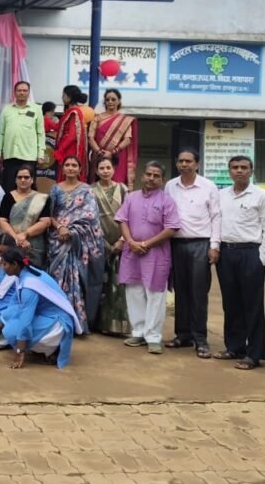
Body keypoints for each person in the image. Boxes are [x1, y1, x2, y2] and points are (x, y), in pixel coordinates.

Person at [116, 161, 182, 354]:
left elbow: (172, 228)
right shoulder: (131, 197)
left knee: (155, 295)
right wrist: (131, 242)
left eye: (156, 176)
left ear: (162, 180)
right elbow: (122, 220)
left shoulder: (167, 201)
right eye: (149, 174)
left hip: (156, 254)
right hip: (132, 253)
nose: (151, 178)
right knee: (134, 292)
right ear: (142, 176)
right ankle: (138, 332)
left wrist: (145, 244)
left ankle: (153, 336)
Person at [216, 156, 265, 369]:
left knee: (252, 305)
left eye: (243, 167)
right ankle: (234, 347)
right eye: (235, 167)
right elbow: (216, 223)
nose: (239, 171)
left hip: (251, 253)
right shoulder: (221, 195)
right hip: (226, 253)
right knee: (231, 303)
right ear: (229, 171)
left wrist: (262, 258)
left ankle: (254, 354)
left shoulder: (262, 196)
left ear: (251, 171)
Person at [164, 148, 221, 358]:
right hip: (177, 244)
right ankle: (183, 334)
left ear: (197, 164)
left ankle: (200, 339)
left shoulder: (208, 186)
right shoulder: (170, 186)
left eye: (188, 161)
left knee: (198, 293)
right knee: (180, 291)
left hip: (200, 244)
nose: (184, 164)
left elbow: (216, 217)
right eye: (181, 161)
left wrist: (214, 246)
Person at [0, 248, 83, 369]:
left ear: (14, 264)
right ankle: (44, 347)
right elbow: (15, 304)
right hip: (50, 315)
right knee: (12, 321)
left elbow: (25, 322)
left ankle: (52, 349)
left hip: (59, 322)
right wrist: (1, 322)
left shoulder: (28, 286)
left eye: (5, 264)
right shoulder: (24, 273)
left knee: (11, 331)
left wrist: (20, 352)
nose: (2, 268)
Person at [47, 155, 104, 334]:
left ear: (80, 169)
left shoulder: (87, 190)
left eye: (74, 165)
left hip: (78, 242)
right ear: (62, 168)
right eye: (67, 165)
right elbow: (49, 215)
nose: (71, 168)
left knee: (76, 281)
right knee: (55, 279)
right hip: (58, 239)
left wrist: (72, 232)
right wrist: (61, 228)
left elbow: (91, 217)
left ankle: (75, 321)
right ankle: (55, 321)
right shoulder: (55, 189)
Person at [91, 156, 130, 336]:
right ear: (96, 171)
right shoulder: (90, 191)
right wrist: (104, 243)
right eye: (102, 168)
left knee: (119, 284)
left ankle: (119, 325)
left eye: (108, 167)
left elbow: (130, 216)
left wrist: (122, 240)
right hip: (98, 242)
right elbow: (90, 218)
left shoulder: (123, 189)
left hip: (121, 243)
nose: (105, 171)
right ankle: (100, 323)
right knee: (100, 282)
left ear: (114, 169)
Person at [0, 165, 51, 271]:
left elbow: (46, 222)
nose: (23, 180)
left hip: (34, 246)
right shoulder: (8, 197)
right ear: (15, 180)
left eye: (26, 177)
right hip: (12, 243)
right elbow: (1, 220)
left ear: (32, 180)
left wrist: (25, 234)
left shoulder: (41, 198)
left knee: (34, 274)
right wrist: (16, 238)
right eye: (19, 177)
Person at [0, 81, 44, 190]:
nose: (22, 93)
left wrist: (40, 154)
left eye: (25, 90)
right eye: (19, 90)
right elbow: (1, 133)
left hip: (29, 156)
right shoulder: (7, 109)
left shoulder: (36, 109)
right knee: (9, 186)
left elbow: (40, 133)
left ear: (29, 92)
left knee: (28, 187)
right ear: (14, 92)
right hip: (10, 155)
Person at [88, 89, 138, 190]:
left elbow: (128, 139)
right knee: (97, 186)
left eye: (113, 99)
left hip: (117, 157)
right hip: (99, 157)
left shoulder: (124, 120)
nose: (110, 102)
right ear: (104, 102)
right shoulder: (97, 118)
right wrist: (99, 152)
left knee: (117, 186)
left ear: (119, 101)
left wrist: (113, 152)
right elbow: (90, 138)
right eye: (107, 99)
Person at [52, 86, 87, 182]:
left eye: (64, 95)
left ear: (69, 97)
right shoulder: (70, 111)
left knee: (68, 174)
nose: (62, 97)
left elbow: (72, 135)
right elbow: (60, 127)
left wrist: (60, 150)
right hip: (67, 147)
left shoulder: (74, 112)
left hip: (69, 149)